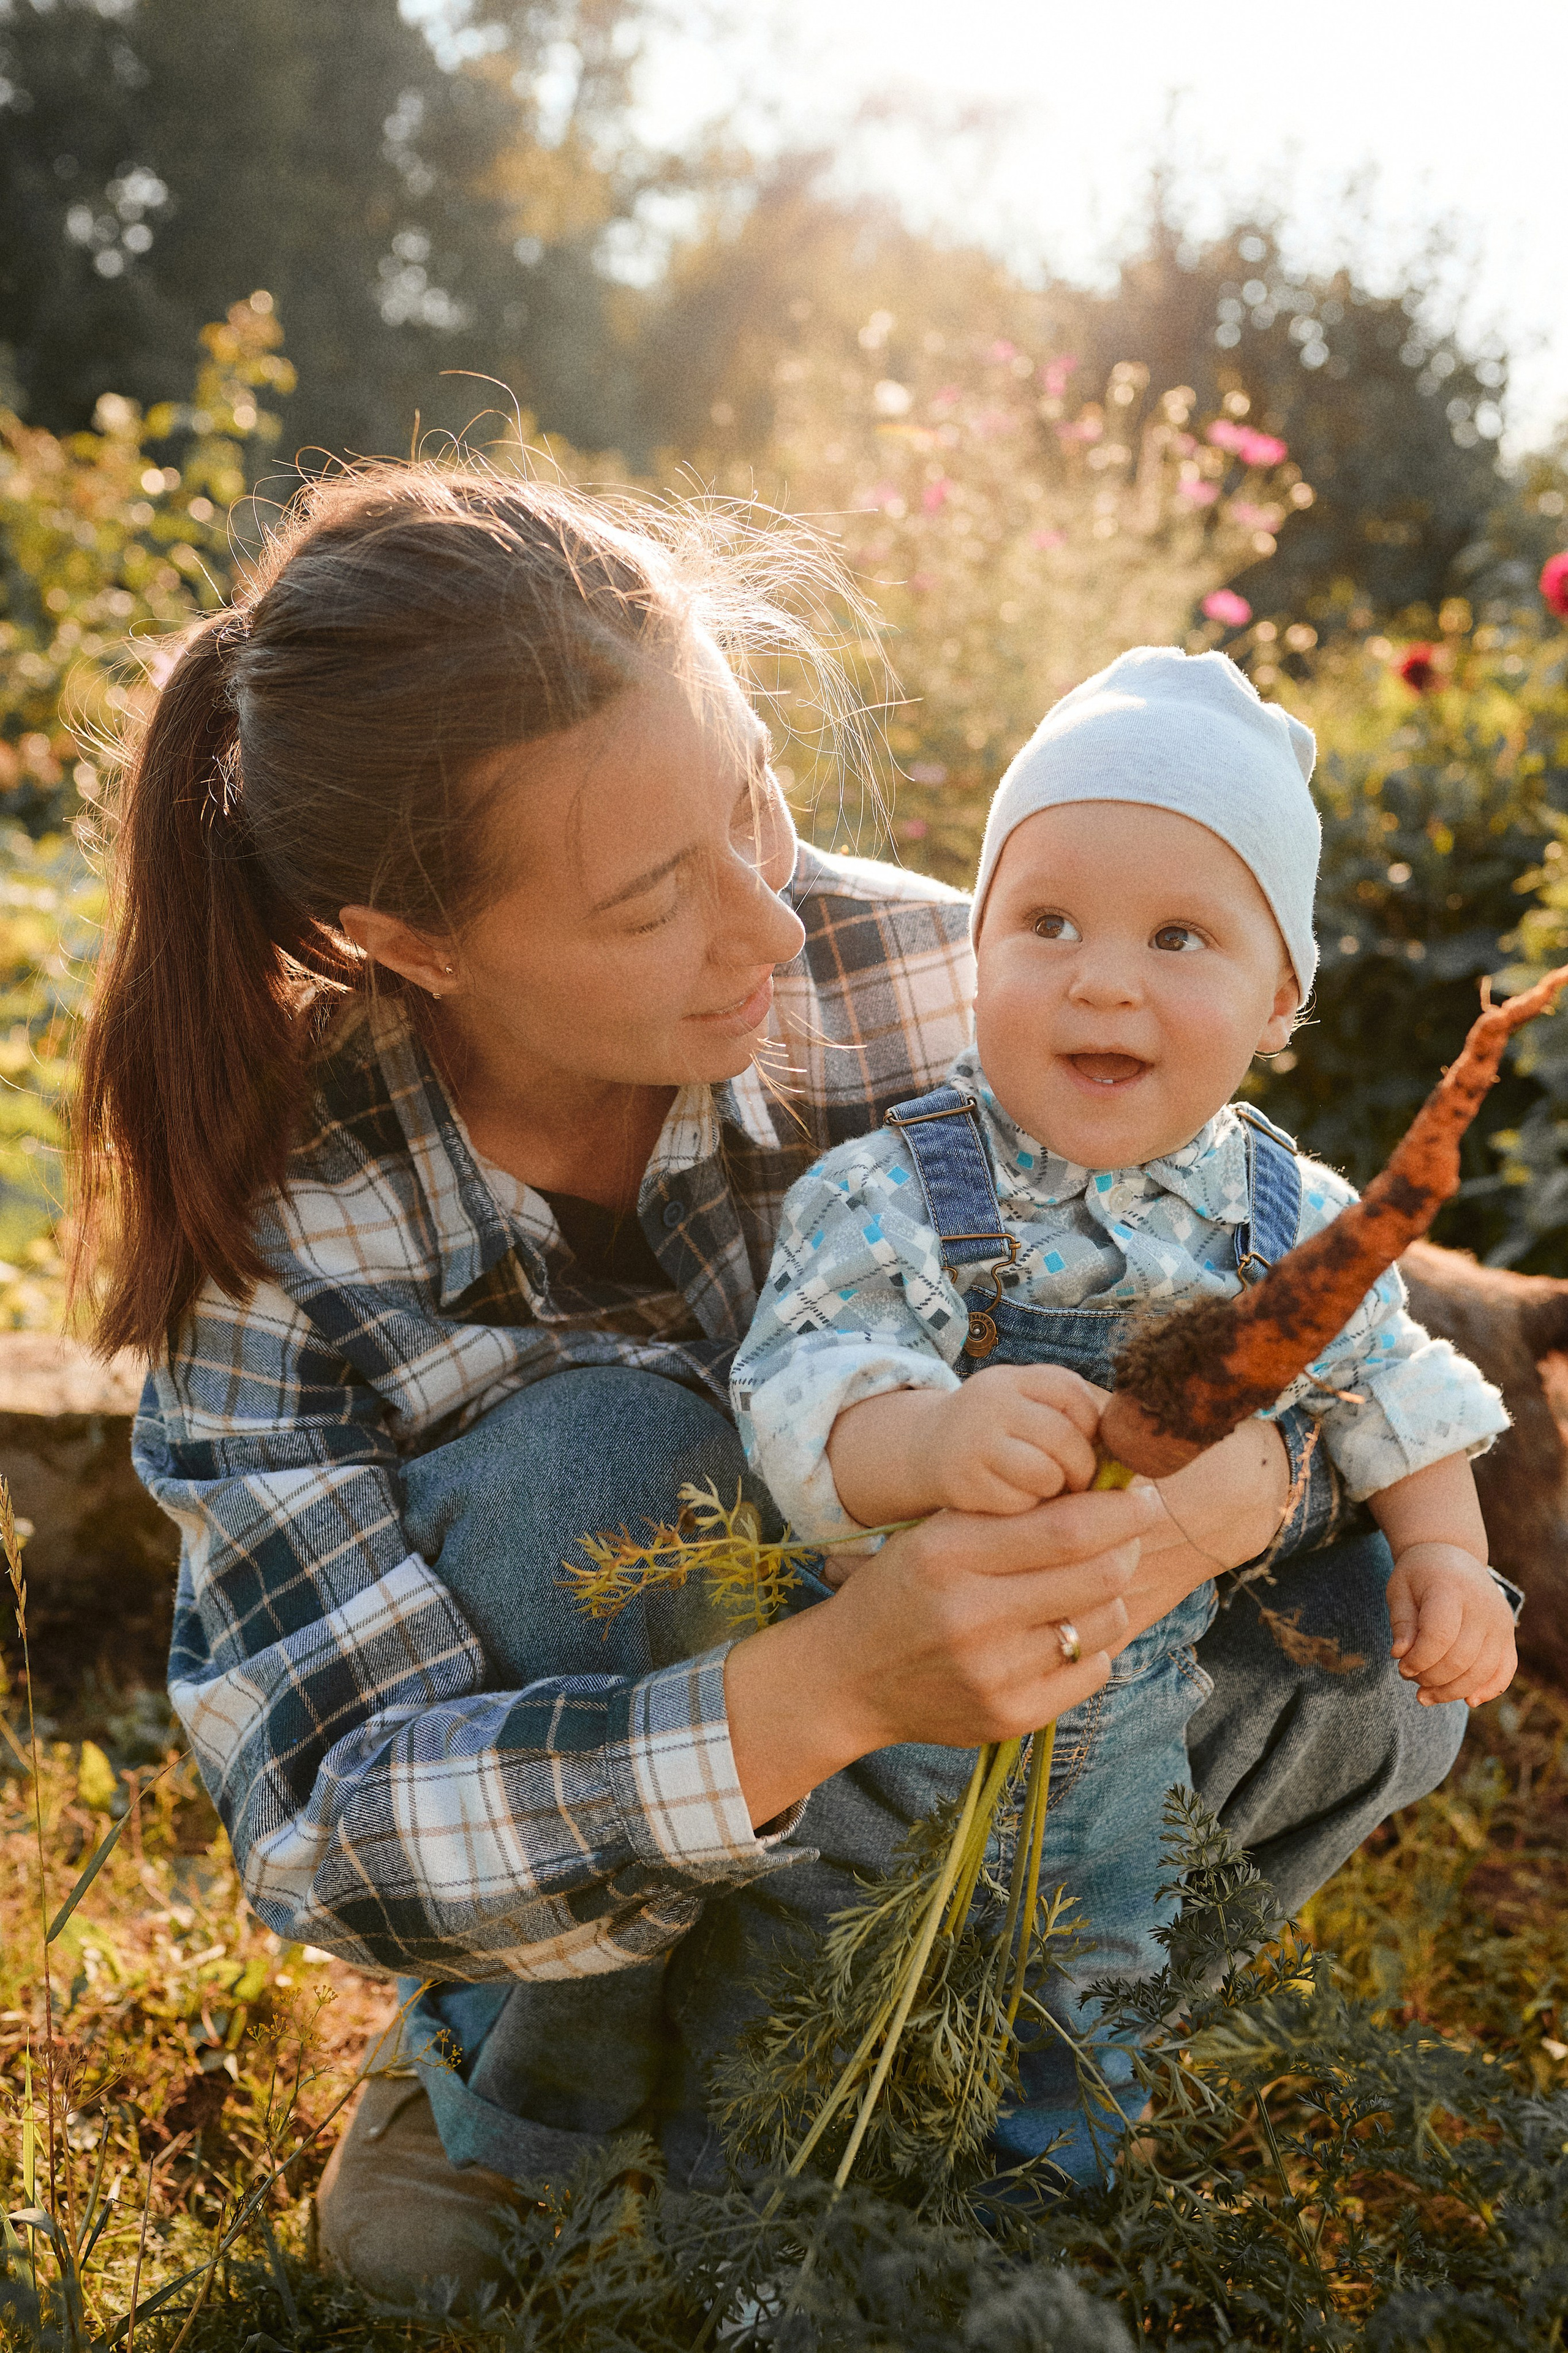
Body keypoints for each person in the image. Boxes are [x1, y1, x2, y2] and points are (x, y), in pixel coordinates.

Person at [72, 469, 1475, 2308]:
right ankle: (531, 2080)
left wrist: (1243, 1497)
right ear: (418, 943)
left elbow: (1263, 1284)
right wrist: (828, 1683)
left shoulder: (938, 978)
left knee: (1380, 1646)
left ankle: (960, 2049)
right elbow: (326, 1816)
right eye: (659, 899)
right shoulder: (285, 1225)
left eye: (755, 799)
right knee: (610, 1464)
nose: (771, 927)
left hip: (999, 1761)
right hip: (674, 1789)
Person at [732, 645, 1518, 2184]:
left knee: (1091, 1951)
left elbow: (1393, 1397)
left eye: (1176, 935)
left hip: (1149, 1722)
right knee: (820, 1948)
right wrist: (922, 1442)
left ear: (1278, 998)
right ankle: (771, 2203)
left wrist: (1440, 1556)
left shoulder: (1296, 1216)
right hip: (902, 1711)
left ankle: (1037, 2190)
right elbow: (799, 1387)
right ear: (976, 956)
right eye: (1045, 923)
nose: (1100, 976)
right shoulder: (900, 1185)